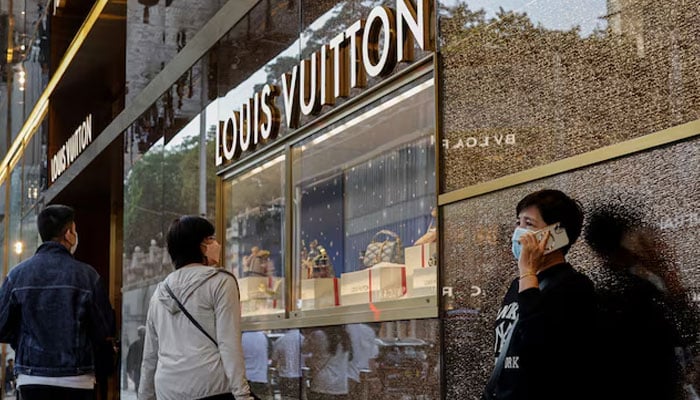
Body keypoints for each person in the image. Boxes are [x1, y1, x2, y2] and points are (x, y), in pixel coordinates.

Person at [481, 189, 596, 400]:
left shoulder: (573, 287)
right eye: (518, 223)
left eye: (529, 224)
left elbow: (536, 348)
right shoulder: (519, 284)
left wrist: (527, 273)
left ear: (555, 236)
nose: (519, 232)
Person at [0, 204, 116, 400]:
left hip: (31, 378)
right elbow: (106, 328)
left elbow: (1, 327)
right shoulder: (88, 276)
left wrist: (25, 340)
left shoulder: (16, 275)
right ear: (69, 233)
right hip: (77, 379)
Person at [585, 204, 700, 400]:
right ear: (629, 241)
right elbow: (682, 335)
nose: (658, 241)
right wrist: (666, 273)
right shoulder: (632, 292)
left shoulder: (598, 288)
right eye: (643, 233)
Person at [138, 216, 255, 400]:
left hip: (168, 390)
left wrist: (144, 397)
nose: (216, 243)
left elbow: (150, 356)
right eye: (211, 238)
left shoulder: (159, 294)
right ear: (201, 245)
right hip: (210, 387)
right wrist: (242, 394)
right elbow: (229, 343)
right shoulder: (221, 282)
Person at [303, 326, 351, 400]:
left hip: (321, 384)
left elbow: (304, 350)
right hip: (341, 385)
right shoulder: (345, 337)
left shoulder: (319, 334)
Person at [271, 329, 304, 400]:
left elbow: (274, 361)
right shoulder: (303, 340)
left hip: (284, 376)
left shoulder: (280, 340)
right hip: (300, 376)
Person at [242, 331, 270, 399]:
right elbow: (269, 356)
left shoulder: (240, 337)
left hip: (245, 379)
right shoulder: (264, 336)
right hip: (261, 378)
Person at [126, 325, 146, 392]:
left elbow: (130, 358)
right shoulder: (148, 345)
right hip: (142, 368)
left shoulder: (134, 345)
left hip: (138, 369)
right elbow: (130, 358)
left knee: (139, 387)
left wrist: (129, 370)